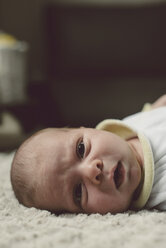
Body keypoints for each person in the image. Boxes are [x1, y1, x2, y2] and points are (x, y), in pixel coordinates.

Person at [10, 95, 166, 214]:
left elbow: (156, 110)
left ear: (86, 128)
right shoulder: (160, 194)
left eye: (81, 149)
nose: (92, 170)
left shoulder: (129, 126)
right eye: (78, 192)